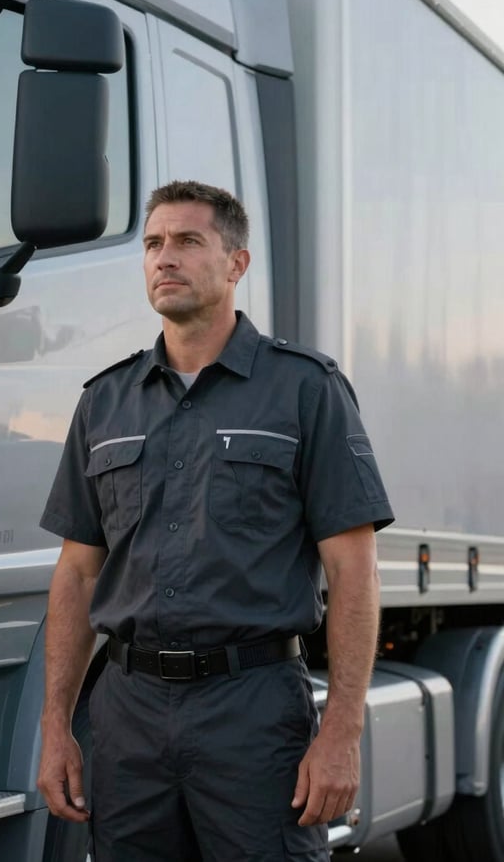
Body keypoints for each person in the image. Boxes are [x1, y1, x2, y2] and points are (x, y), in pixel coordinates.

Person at [37, 180, 394, 862]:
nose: (164, 258)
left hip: (253, 711)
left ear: (236, 264)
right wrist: (55, 726)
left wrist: (342, 733)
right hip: (127, 716)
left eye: (187, 242)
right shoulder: (104, 404)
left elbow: (354, 568)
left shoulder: (304, 390)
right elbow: (78, 575)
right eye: (153, 244)